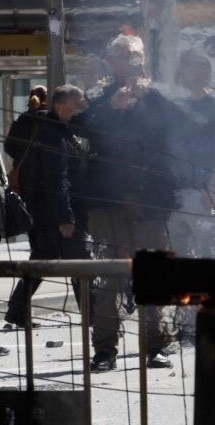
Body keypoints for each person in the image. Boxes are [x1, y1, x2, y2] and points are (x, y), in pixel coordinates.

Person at [76, 32, 180, 372]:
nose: (131, 61)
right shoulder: (97, 96)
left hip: (150, 202)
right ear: (111, 61)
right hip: (108, 200)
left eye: (135, 54)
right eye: (123, 55)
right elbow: (81, 129)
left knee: (153, 275)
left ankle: (157, 346)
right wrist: (112, 108)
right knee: (109, 277)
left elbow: (184, 132)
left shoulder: (160, 96)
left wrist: (152, 97)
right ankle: (105, 349)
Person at [3, 84, 88, 330]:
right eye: (76, 103)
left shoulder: (43, 125)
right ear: (61, 105)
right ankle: (93, 317)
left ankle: (17, 311)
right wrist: (67, 218)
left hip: (39, 208)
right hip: (53, 212)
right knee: (80, 261)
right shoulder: (53, 133)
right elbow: (56, 179)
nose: (80, 108)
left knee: (43, 259)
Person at [169, 49, 215, 264]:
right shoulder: (172, 104)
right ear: (183, 71)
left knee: (208, 254)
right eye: (193, 68)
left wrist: (214, 187)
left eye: (203, 69)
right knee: (178, 255)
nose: (198, 74)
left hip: (203, 192)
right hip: (173, 192)